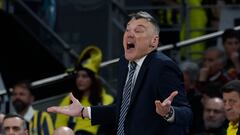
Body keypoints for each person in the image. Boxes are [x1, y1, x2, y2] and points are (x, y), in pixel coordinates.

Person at [48, 11, 192, 135]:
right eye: (128, 29)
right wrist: (84, 112)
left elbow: (187, 114)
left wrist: (169, 112)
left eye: (138, 30)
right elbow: (122, 110)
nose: (130, 34)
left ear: (154, 42)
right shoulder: (124, 63)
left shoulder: (163, 67)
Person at [55, 46, 114, 135]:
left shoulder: (107, 100)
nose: (80, 80)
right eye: (78, 76)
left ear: (92, 79)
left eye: (84, 76)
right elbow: (60, 125)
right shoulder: (69, 99)